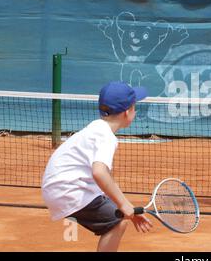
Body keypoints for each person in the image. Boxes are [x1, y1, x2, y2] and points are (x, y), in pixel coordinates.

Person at [41, 81, 152, 251]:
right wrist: (124, 206)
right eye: (135, 107)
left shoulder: (96, 128)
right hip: (68, 191)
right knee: (118, 222)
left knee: (118, 217)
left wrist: (124, 206)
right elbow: (99, 173)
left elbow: (101, 179)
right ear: (127, 112)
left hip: (59, 188)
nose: (135, 111)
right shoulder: (106, 137)